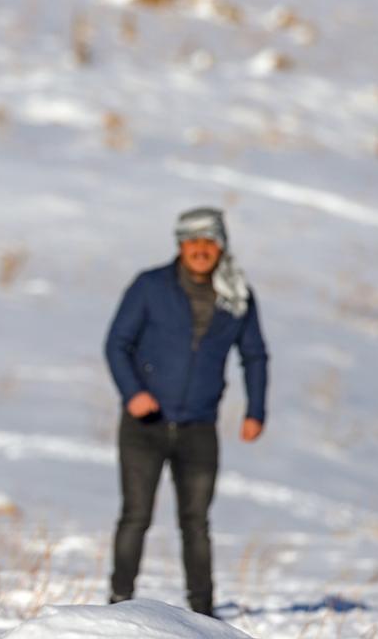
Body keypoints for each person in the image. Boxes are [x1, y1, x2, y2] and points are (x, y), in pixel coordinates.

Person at [104, 207, 269, 616]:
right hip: (145, 425)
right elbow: (116, 343)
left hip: (199, 426)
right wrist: (133, 393)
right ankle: (119, 602)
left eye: (209, 241)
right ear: (180, 245)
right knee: (135, 515)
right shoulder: (150, 286)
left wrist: (255, 410)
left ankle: (202, 612)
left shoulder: (237, 296)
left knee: (195, 523)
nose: (200, 249)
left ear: (221, 246)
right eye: (192, 241)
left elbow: (254, 355)